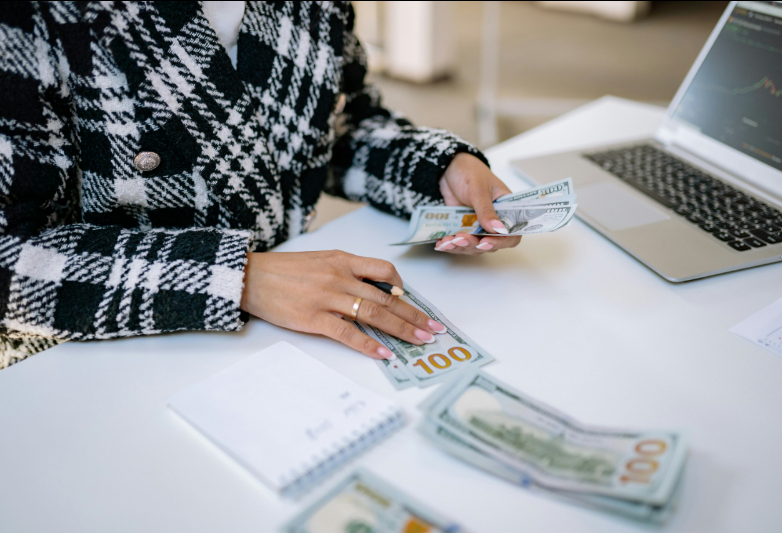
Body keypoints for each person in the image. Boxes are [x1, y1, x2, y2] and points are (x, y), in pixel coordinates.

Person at [0, 1, 520, 369]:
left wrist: (438, 168)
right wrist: (239, 277)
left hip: (281, 348)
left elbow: (338, 125)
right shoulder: (27, 19)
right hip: (84, 365)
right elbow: (10, 256)